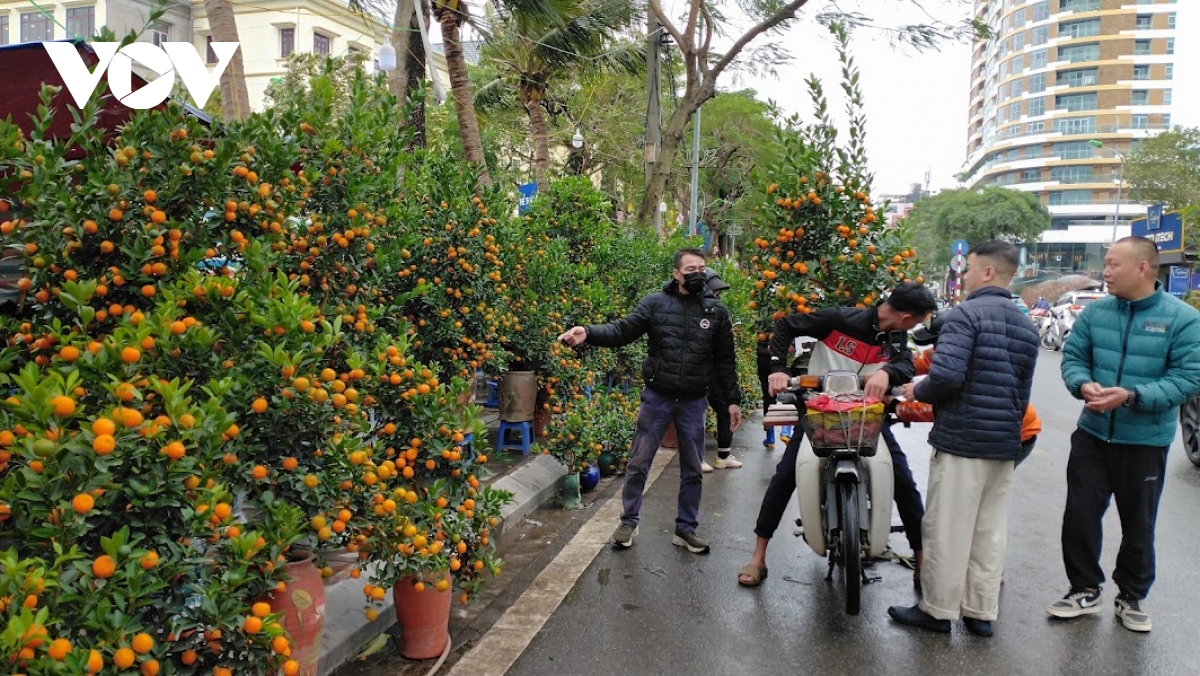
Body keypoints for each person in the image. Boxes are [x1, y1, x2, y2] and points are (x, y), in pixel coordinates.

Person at [735, 281, 936, 587]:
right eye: (919, 320)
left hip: (868, 418)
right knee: (786, 474)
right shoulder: (838, 319)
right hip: (819, 415)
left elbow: (905, 364)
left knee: (903, 480)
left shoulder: (896, 337)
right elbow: (786, 325)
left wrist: (886, 372)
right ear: (908, 317)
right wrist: (778, 368)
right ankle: (758, 556)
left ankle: (921, 561)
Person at [1046, 236, 1200, 633]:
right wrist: (1082, 385)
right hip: (1093, 435)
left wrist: (1131, 397)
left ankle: (1131, 596)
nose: (1106, 272)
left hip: (1144, 442)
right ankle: (1084, 589)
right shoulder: (1097, 314)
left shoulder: (1182, 319)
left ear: (1143, 268)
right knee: (1079, 516)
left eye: (1114, 264)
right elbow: (1075, 359)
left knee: (1139, 523)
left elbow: (1187, 379)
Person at [887, 240, 1038, 638]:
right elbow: (1022, 394)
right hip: (1004, 443)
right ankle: (980, 612)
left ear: (987, 272)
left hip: (962, 440)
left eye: (968, 268)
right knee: (989, 530)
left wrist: (913, 393)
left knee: (948, 528)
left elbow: (947, 377)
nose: (963, 275)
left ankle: (936, 612)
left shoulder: (964, 316)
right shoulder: (1026, 325)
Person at [558, 248, 742, 554]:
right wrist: (587, 332)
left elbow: (726, 362)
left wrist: (732, 401)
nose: (698, 273)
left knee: (693, 469)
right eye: (691, 268)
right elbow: (622, 330)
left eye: (702, 268)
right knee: (639, 462)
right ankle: (629, 521)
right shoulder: (656, 304)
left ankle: (685, 529)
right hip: (658, 396)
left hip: (694, 401)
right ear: (677, 274)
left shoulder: (716, 312)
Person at [701, 270, 741, 472]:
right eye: (714, 292)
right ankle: (696, 458)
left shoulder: (719, 312)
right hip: (696, 373)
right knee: (696, 413)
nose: (717, 296)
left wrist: (733, 394)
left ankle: (723, 455)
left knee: (725, 409)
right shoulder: (690, 310)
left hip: (715, 371)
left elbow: (726, 355)